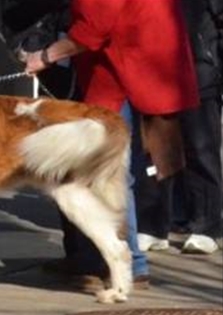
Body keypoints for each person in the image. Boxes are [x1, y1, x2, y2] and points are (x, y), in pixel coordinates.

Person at [22, 0, 200, 286]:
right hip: (146, 61)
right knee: (126, 169)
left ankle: (128, 262)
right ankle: (97, 257)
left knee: (111, 173)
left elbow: (95, 26)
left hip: (124, 68)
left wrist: (45, 56)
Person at [137, 0, 223, 254]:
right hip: (155, 73)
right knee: (156, 151)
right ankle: (154, 225)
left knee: (201, 150)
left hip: (199, 71)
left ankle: (207, 226)